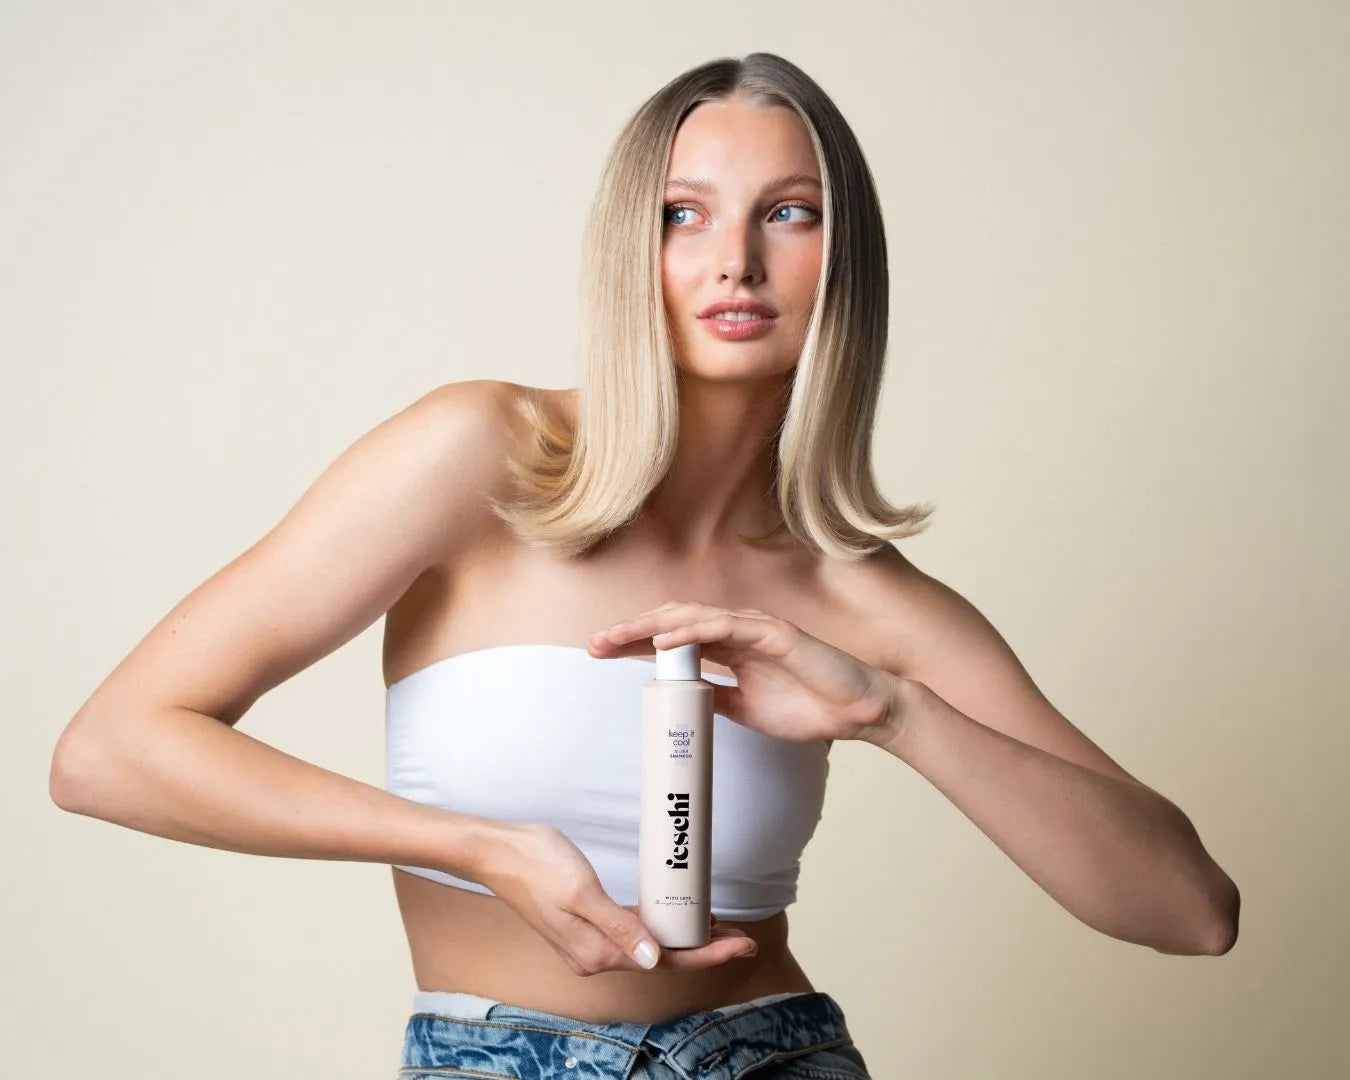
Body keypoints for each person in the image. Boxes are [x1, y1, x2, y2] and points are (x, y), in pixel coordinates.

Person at [49, 52, 1238, 1079]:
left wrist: (892, 711)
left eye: (790, 213)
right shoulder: (482, 459)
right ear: (632, 246)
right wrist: (476, 846)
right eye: (683, 214)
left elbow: (1190, 910)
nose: (736, 262)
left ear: (845, 257)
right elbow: (110, 752)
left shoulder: (858, 594)